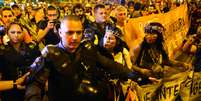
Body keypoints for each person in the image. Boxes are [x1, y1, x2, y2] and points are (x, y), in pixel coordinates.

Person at [25, 15, 132, 101]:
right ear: (60, 32)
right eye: (70, 32)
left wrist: (135, 74)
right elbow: (35, 84)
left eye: (78, 32)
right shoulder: (51, 53)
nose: (75, 37)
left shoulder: (87, 48)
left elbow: (109, 64)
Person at [0, 22, 41, 101]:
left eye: (19, 32)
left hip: (31, 90)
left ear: (23, 33)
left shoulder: (32, 48)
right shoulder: (2, 51)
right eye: (12, 32)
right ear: (7, 34)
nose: (16, 35)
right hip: (10, 91)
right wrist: (14, 84)